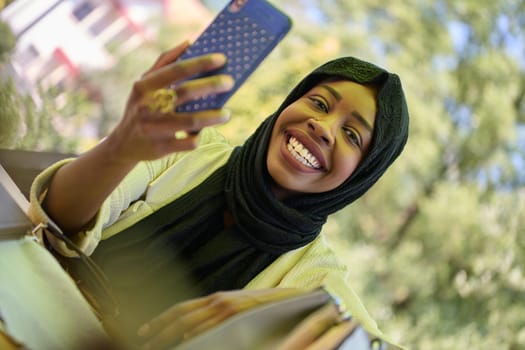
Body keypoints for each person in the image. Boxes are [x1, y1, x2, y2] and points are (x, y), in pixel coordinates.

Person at [29, 40, 409, 349]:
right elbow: (57, 215)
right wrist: (122, 148)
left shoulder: (316, 279)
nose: (323, 127)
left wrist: (280, 309)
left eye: (353, 135)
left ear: (363, 175)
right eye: (319, 103)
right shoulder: (190, 148)